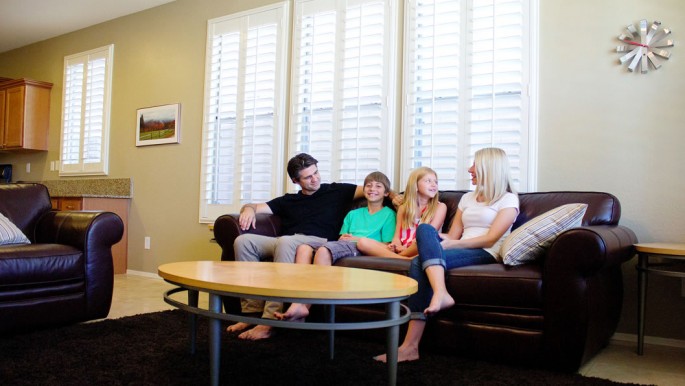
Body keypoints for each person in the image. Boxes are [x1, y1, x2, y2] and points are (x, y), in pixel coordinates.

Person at [374, 147, 519, 363]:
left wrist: (453, 244)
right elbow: (452, 234)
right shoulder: (468, 198)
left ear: (489, 168)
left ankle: (410, 346)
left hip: (486, 252)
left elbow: (491, 239)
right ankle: (440, 295)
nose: (470, 169)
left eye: (474, 166)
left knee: (417, 262)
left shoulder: (508, 200)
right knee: (425, 230)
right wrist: (437, 239)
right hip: (458, 245)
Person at [228, 153, 365, 340]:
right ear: (295, 180)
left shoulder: (337, 191)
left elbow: (375, 188)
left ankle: (268, 321)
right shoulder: (288, 200)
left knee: (286, 241)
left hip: (319, 240)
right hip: (288, 240)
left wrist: (394, 197)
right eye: (308, 177)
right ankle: (251, 314)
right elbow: (256, 206)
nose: (315, 178)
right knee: (243, 241)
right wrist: (248, 209)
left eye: (316, 172)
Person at [274, 171, 397, 322]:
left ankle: (304, 306)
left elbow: (386, 244)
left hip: (362, 247)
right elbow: (342, 237)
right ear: (363, 189)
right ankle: (298, 302)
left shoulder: (389, 215)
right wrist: (345, 238)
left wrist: (357, 238)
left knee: (324, 251)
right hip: (344, 244)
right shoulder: (354, 214)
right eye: (368, 185)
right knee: (303, 248)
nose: (372, 189)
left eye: (378, 186)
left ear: (386, 193)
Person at [355, 166, 447, 259]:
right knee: (363, 242)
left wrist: (404, 251)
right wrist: (395, 245)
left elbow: (427, 237)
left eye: (436, 182)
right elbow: (396, 237)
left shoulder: (440, 207)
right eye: (428, 181)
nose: (434, 184)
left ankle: (399, 258)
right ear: (415, 185)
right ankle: (404, 260)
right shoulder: (403, 208)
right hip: (401, 249)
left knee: (422, 240)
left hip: (420, 248)